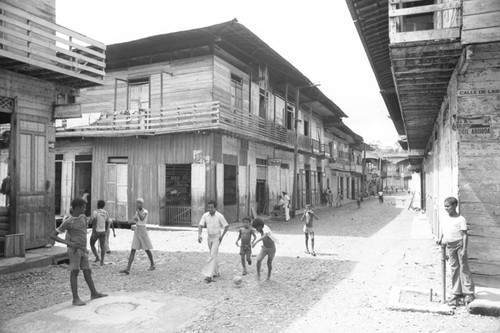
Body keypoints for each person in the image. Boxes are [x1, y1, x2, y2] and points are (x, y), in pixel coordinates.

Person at [50, 198, 107, 306]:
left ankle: (94, 293)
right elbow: (52, 235)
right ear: (78, 208)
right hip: (74, 250)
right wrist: (69, 243)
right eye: (84, 207)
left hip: (82, 250)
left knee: (87, 271)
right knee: (75, 271)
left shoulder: (83, 217)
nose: (85, 209)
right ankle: (75, 298)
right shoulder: (69, 222)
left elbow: (82, 232)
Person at [437, 197, 475, 305]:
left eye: (448, 206)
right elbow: (444, 230)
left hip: (459, 246)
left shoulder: (461, 219)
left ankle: (469, 293)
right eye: (445, 206)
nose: (446, 208)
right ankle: (456, 292)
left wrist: (464, 249)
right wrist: (441, 238)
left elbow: (464, 235)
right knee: (454, 269)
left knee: (464, 269)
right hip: (450, 246)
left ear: (454, 206)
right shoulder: (445, 218)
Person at [119, 198, 155, 274]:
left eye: (139, 203)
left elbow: (142, 218)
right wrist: (136, 215)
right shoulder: (138, 211)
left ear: (142, 204)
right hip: (137, 229)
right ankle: (128, 268)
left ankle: (152, 264)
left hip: (142, 230)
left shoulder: (145, 211)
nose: (137, 204)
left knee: (146, 248)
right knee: (133, 249)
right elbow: (136, 219)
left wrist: (138, 212)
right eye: (137, 203)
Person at [198, 200, 229, 283]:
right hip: (209, 238)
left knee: (212, 255)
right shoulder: (205, 215)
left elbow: (226, 226)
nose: (210, 209)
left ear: (215, 207)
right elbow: (200, 225)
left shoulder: (219, 216)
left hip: (217, 238)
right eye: (209, 207)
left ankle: (209, 276)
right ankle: (216, 272)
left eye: (212, 208)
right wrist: (199, 235)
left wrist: (222, 236)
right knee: (213, 255)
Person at [89, 200, 113, 266]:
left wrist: (93, 232)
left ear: (97, 205)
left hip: (96, 231)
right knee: (103, 247)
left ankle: (97, 257)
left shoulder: (95, 212)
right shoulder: (106, 213)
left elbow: (94, 222)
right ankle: (102, 261)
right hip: (103, 231)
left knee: (92, 244)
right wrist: (106, 230)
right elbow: (108, 222)